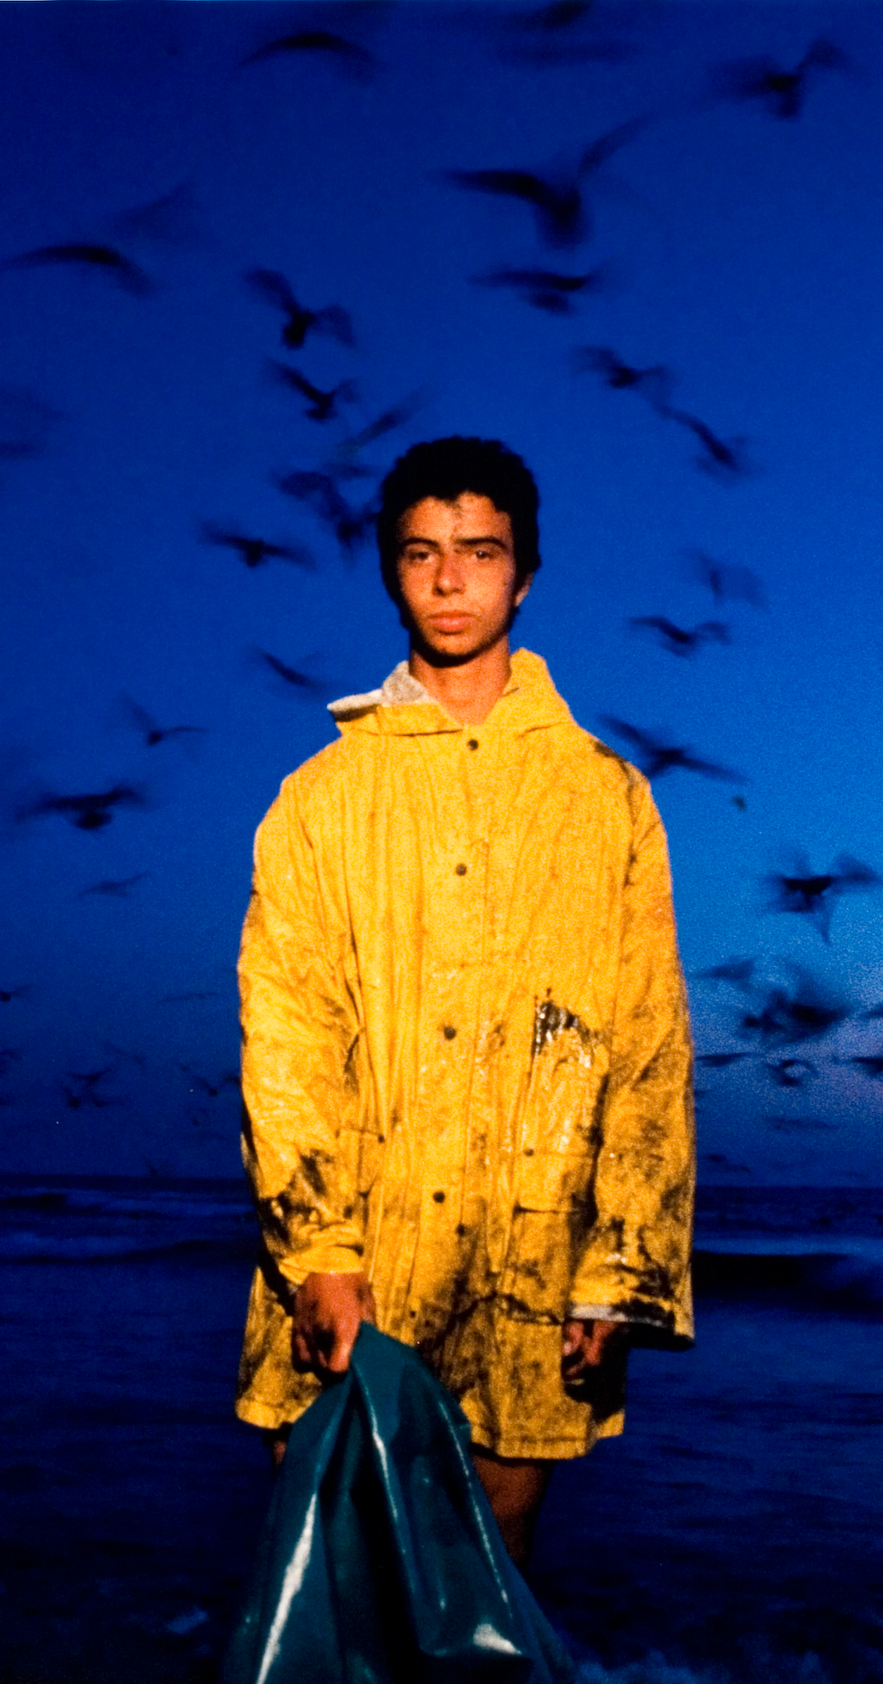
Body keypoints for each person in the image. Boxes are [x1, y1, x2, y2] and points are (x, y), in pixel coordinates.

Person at [232, 435, 695, 1567]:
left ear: (522, 573)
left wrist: (620, 1270)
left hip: (529, 1256)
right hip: (361, 1252)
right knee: (332, 1577)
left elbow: (646, 1040)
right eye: (422, 553)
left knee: (488, 1593)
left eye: (478, 553)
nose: (449, 580)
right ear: (390, 569)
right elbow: (284, 1033)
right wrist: (316, 1251)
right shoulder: (321, 798)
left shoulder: (603, 796)